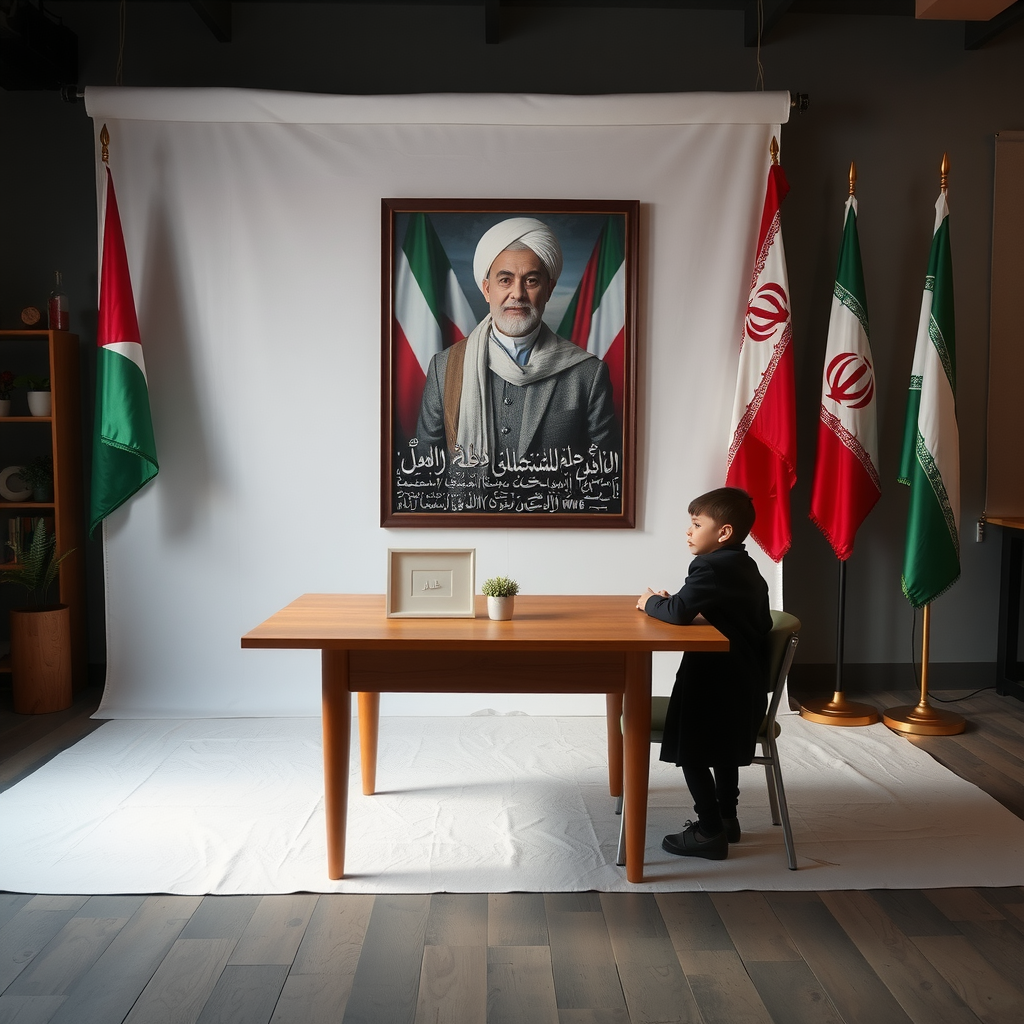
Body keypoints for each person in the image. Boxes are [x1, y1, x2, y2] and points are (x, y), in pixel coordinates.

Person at [415, 217, 620, 468]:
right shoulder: (444, 368)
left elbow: (606, 475)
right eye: (505, 280)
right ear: (487, 289)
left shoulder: (587, 374)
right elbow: (425, 470)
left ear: (549, 289)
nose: (518, 293)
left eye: (531, 280)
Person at [637, 486, 772, 861]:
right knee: (721, 752)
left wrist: (650, 602)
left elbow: (679, 612)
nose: (688, 531)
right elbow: (742, 618)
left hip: (713, 681)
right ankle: (727, 818)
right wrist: (672, 604)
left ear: (723, 532)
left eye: (696, 523)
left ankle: (709, 830)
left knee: (691, 749)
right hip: (743, 686)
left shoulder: (709, 566)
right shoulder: (743, 565)